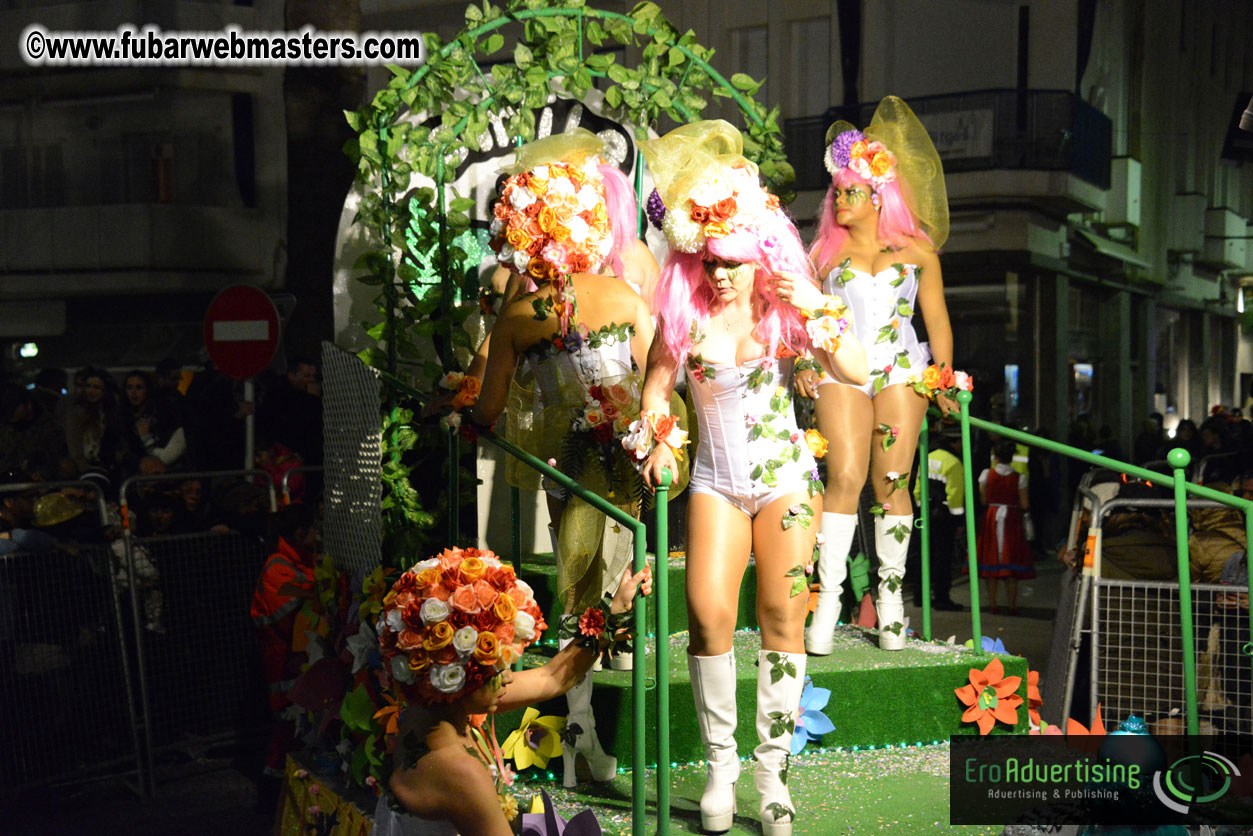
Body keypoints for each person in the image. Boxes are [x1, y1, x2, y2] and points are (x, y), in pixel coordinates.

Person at [635, 120, 867, 836]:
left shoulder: (784, 312)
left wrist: (816, 307)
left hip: (784, 483)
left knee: (781, 618)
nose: (722, 271)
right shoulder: (683, 314)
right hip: (712, 482)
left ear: (760, 251)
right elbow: (654, 395)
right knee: (705, 616)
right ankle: (720, 769)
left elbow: (855, 372)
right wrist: (656, 440)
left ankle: (770, 775)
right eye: (710, 257)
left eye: (734, 258)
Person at [466, 129, 660, 789]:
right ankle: (612, 675)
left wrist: (464, 417)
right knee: (620, 559)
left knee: (579, 584)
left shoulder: (519, 313)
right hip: (627, 447)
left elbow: (488, 409)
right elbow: (662, 382)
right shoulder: (628, 298)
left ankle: (581, 728)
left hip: (564, 461)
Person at [791, 96, 956, 655]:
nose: (839, 198)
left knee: (892, 483)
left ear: (879, 194)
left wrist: (944, 376)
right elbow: (802, 320)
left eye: (851, 191)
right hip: (842, 369)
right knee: (843, 476)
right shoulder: (822, 255)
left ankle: (890, 606)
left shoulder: (918, 253)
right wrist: (805, 362)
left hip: (902, 370)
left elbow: (936, 320)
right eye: (836, 190)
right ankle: (828, 602)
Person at [376, 548, 651, 836]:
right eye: (495, 670)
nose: (509, 678)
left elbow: (552, 677)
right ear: (454, 676)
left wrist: (613, 611)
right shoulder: (460, 773)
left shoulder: (428, 711)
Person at [249, 501, 320, 803]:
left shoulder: (297, 562)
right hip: (285, 665)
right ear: (300, 532)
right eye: (315, 529)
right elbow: (291, 619)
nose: (320, 535)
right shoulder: (278, 568)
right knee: (288, 727)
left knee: (294, 727)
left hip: (296, 662)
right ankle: (272, 791)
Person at [911, 418, 964, 610]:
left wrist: (920, 508)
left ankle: (920, 596)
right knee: (943, 558)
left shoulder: (928, 456)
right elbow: (955, 495)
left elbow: (917, 488)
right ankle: (941, 598)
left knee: (923, 555)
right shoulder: (954, 463)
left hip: (924, 513)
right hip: (944, 516)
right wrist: (958, 520)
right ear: (955, 442)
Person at [977, 438, 1034, 614]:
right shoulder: (1020, 478)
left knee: (991, 558)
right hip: (1011, 520)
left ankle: (993, 605)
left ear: (995, 457)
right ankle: (1012, 606)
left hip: (992, 517)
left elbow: (984, 500)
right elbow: (1024, 504)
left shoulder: (986, 475)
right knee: (1011, 560)